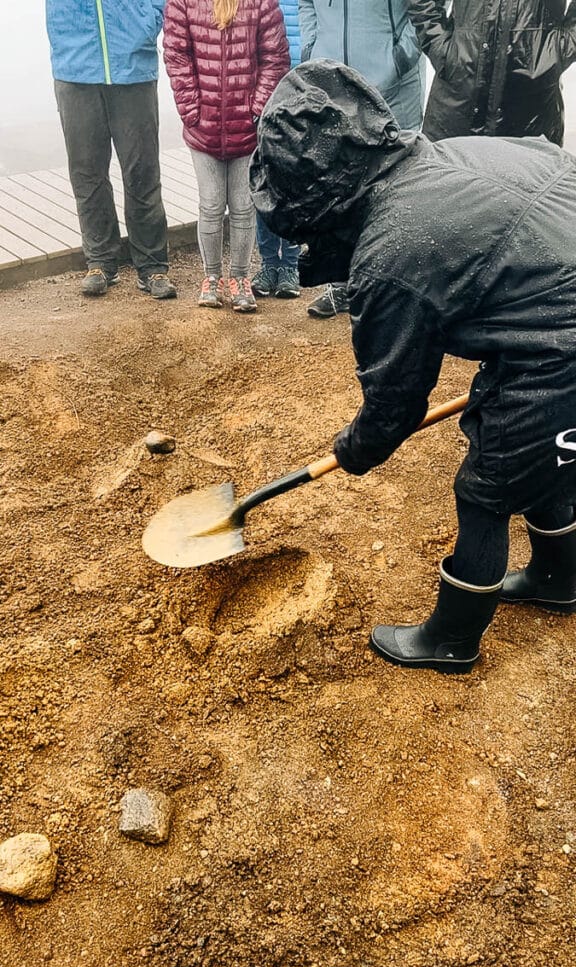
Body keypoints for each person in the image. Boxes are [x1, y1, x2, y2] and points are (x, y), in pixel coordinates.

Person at [250, 59, 576, 674]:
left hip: (562, 346)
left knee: (486, 490)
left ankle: (452, 641)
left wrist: (355, 449)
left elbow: (395, 403)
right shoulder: (443, 155)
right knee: (542, 453)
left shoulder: (394, 254)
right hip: (548, 321)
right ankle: (560, 581)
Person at [298, 0, 425, 319]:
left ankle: (395, 287)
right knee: (338, 186)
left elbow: (427, 9)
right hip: (334, 86)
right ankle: (341, 283)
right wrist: (313, 49)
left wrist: (398, 58)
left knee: (397, 190)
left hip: (392, 87)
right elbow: (306, 4)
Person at [163, 0, 290, 313]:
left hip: (245, 127)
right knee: (210, 203)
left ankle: (240, 279)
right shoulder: (182, 2)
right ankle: (211, 279)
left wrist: (256, 109)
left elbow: (275, 57)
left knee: (244, 206)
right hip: (202, 128)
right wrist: (191, 110)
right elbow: (176, 56)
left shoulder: (260, 3)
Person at [46, 0, 177, 300]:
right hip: (75, 66)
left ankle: (152, 265)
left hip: (133, 67)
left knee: (142, 170)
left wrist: (147, 24)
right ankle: (101, 261)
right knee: (87, 172)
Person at [407, 0, 576, 144]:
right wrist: (441, 49)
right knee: (450, 177)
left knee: (522, 179)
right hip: (460, 90)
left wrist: (558, 51)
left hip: (532, 104)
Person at [252, 0, 302, 301]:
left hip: (301, 88)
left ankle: (291, 265)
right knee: (264, 183)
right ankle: (269, 263)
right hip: (263, 90)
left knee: (293, 184)